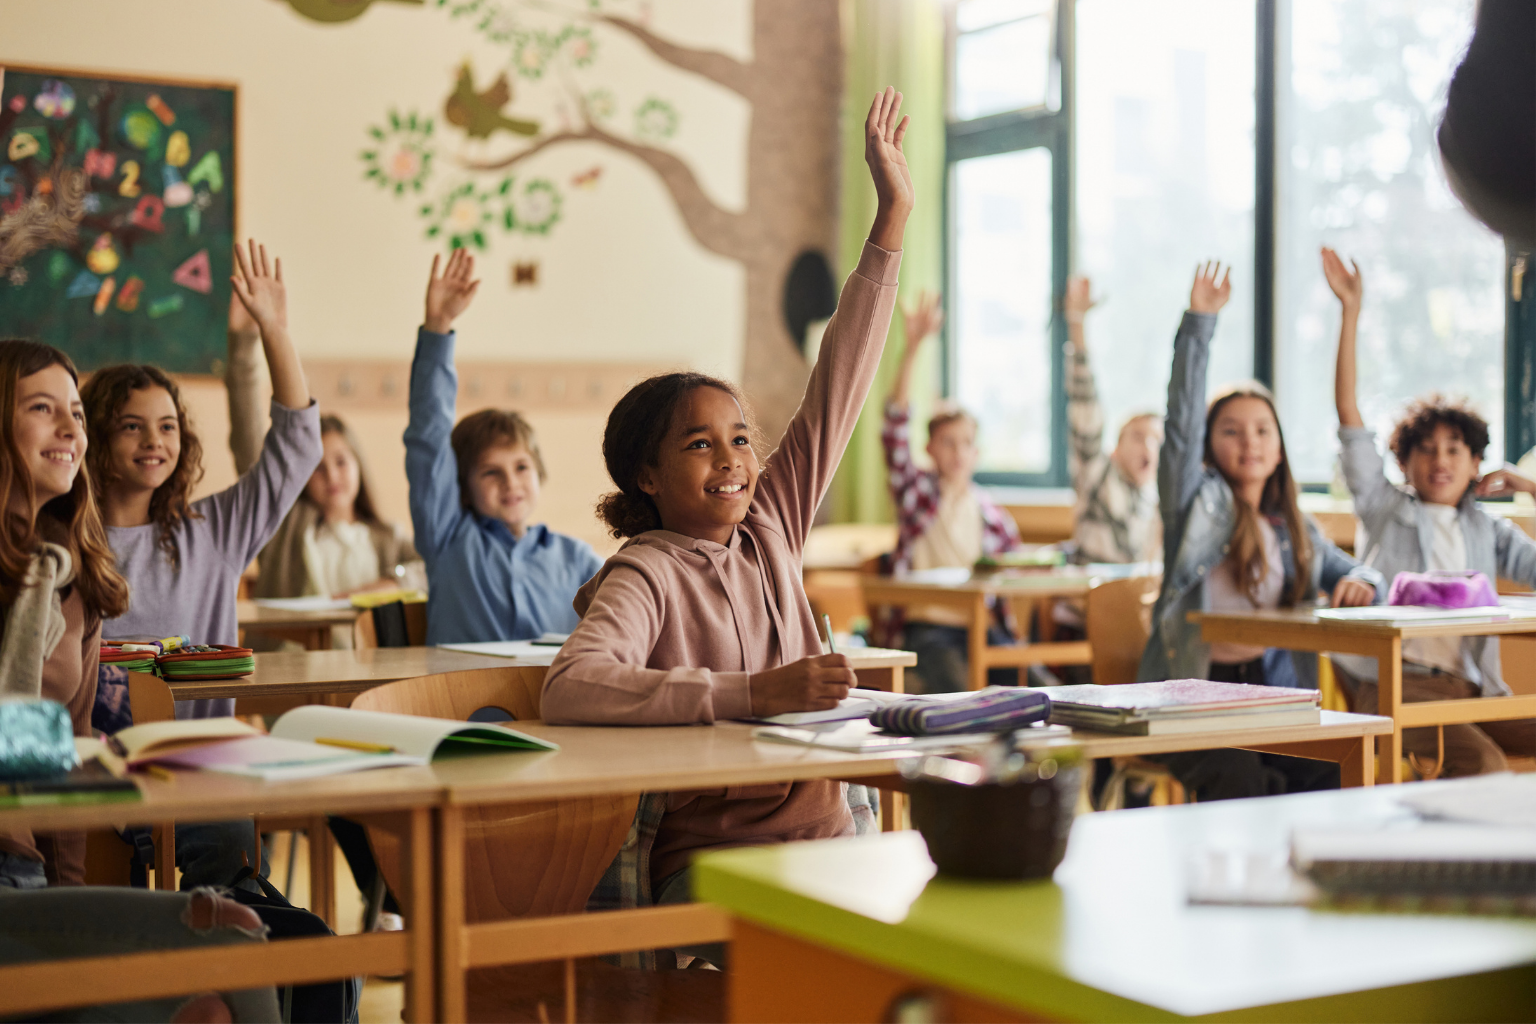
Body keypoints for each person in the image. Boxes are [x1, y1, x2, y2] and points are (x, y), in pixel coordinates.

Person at [541, 87, 914, 966]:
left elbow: (841, 381)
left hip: (831, 845)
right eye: (700, 445)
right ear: (647, 474)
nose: (733, 461)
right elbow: (572, 686)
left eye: (742, 439)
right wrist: (750, 694)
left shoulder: (772, 525)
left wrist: (890, 219)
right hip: (718, 863)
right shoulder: (646, 572)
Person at [0, 338, 277, 1023]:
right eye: (43, 409)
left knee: (238, 947)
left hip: (21, 872)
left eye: (74, 411)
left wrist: (56, 891)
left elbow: (55, 753)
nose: (70, 430)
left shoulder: (67, 574)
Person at [79, 239, 321, 891]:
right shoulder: (64, 543)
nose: (154, 441)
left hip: (201, 770)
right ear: (93, 438)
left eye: (166, 426)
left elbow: (297, 447)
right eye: (130, 426)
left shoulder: (212, 531)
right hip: (93, 773)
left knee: (234, 878)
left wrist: (274, 329)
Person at [1138, 262, 1384, 801]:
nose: (1248, 442)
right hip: (1189, 701)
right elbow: (1179, 423)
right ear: (1208, 445)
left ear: (1278, 448)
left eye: (1261, 430)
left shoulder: (1295, 527)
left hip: (1272, 698)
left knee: (1335, 771)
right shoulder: (1192, 507)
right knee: (1243, 780)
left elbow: (1362, 574)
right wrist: (1199, 322)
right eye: (1230, 431)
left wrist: (1364, 580)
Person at [1325, 246, 1536, 776]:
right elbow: (1350, 418)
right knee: (1487, 768)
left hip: (1473, 686)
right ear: (1405, 460)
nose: (1440, 460)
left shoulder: (1487, 528)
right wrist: (1351, 312)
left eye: (1454, 449)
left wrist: (1528, 488)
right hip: (1394, 683)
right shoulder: (1383, 506)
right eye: (1426, 448)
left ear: (1475, 463)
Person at [405, 249, 603, 645]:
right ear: (461, 486)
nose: (510, 482)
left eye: (521, 467)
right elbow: (428, 437)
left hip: (553, 705)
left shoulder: (579, 560)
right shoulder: (447, 539)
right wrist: (438, 328)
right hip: (460, 707)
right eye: (490, 472)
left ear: (539, 473)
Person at [227, 299, 422, 604]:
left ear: (359, 465)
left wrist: (391, 581)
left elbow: (435, 570)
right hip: (292, 652)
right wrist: (244, 346)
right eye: (317, 467)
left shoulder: (389, 538)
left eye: (341, 462)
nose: (331, 475)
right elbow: (247, 441)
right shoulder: (283, 528)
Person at [880, 290, 1023, 693]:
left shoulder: (992, 515)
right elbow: (893, 429)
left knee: (1035, 687)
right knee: (961, 690)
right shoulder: (917, 494)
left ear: (976, 452)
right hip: (930, 629)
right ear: (929, 449)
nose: (957, 453)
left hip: (982, 627)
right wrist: (913, 348)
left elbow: (1013, 575)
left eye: (965, 443)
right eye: (947, 442)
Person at [1063, 276, 1162, 566]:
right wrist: (1077, 323)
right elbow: (1086, 410)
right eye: (1137, 436)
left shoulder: (1154, 501)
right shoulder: (1097, 475)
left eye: (1156, 440)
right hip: (1089, 604)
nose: (1148, 446)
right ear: (1115, 449)